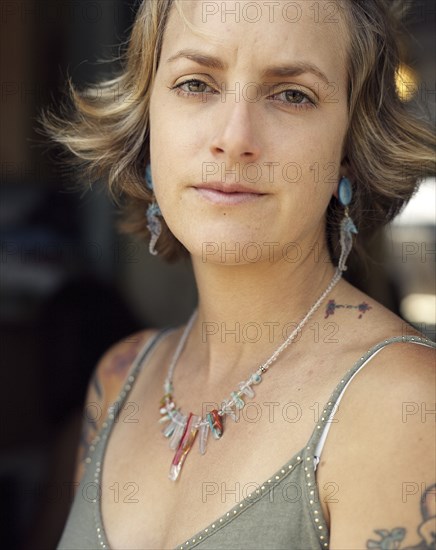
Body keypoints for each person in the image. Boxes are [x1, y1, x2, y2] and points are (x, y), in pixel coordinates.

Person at [40, 1, 435, 548]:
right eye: (196, 83)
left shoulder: (404, 403)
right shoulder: (119, 379)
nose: (234, 136)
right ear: (147, 119)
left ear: (349, 148)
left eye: (292, 94)